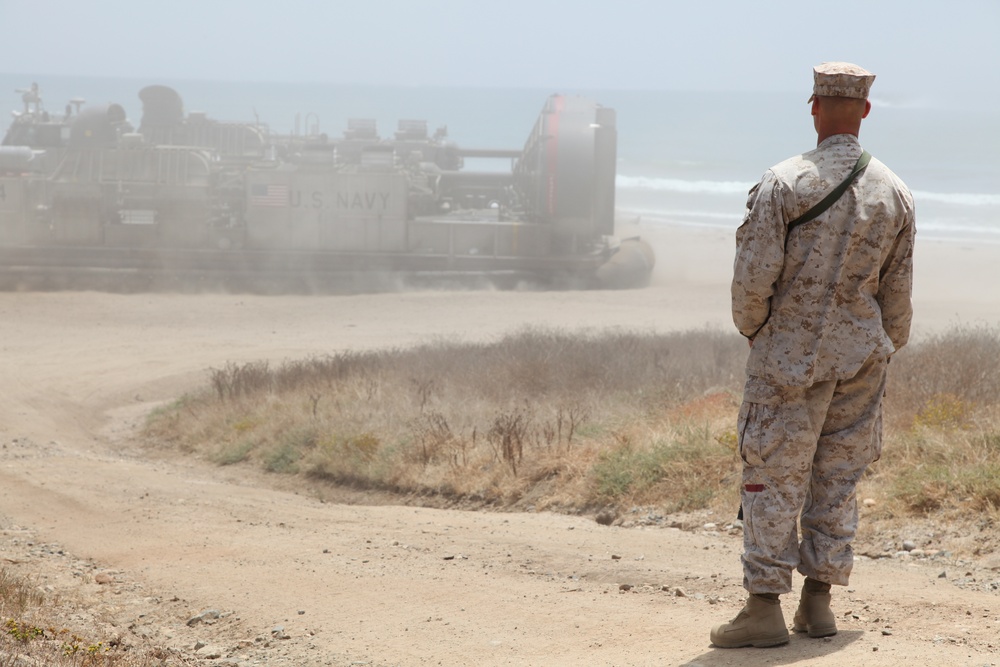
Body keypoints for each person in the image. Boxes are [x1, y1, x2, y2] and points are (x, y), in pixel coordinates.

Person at [710, 62, 915, 648]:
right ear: (866, 112)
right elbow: (897, 296)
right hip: (861, 361)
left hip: (786, 362)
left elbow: (753, 281)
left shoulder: (783, 183)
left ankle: (763, 608)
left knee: (772, 476)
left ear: (814, 107)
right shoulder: (895, 191)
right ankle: (818, 604)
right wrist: (880, 348)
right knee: (838, 478)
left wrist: (756, 331)